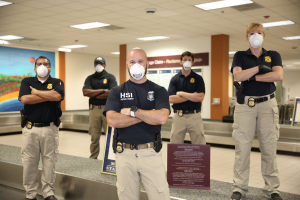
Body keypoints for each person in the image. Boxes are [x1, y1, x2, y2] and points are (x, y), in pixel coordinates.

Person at [103, 48, 170, 200]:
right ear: (127, 64)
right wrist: (147, 115)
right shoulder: (116, 91)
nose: (136, 65)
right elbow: (112, 120)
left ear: (147, 64)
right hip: (124, 154)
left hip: (151, 153)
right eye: (133, 62)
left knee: (160, 196)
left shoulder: (159, 90)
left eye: (140, 61)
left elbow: (161, 118)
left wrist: (133, 112)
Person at [230, 22, 283, 200]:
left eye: (259, 33)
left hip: (268, 105)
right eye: (252, 33)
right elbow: (237, 76)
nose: (256, 36)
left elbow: (277, 75)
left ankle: (272, 189)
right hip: (245, 106)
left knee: (269, 148)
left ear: (264, 36)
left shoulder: (273, 55)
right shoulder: (240, 55)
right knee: (242, 148)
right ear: (247, 37)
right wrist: (260, 69)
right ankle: (239, 188)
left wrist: (251, 76)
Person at [19, 56, 64, 200]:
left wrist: (36, 93)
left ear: (50, 67)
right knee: (29, 162)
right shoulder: (27, 81)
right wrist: (48, 96)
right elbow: (25, 99)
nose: (43, 66)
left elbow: (57, 97)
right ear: (35, 68)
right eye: (39, 64)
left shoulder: (57, 82)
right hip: (30, 129)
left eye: (46, 64)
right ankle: (30, 194)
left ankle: (48, 193)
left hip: (50, 129)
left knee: (50, 161)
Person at [82, 56, 117, 159]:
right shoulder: (90, 78)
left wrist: (94, 94)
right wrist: (104, 90)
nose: (98, 65)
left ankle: (110, 158)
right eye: (96, 63)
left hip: (107, 109)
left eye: (101, 64)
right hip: (94, 110)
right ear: (94, 65)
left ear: (105, 65)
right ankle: (93, 157)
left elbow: (113, 93)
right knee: (94, 136)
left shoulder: (110, 77)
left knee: (109, 136)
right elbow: (85, 92)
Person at [168, 51, 206, 145]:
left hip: (195, 116)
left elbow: (200, 97)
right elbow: (171, 99)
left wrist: (181, 94)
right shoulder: (175, 79)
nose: (187, 62)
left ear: (193, 62)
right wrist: (192, 96)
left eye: (189, 60)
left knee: (199, 144)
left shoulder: (198, 79)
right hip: (179, 116)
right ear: (180, 61)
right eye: (185, 60)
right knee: (175, 145)